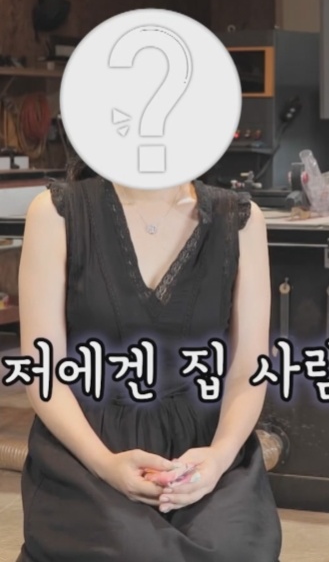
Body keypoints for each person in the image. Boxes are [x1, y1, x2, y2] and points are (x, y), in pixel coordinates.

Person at [16, 157, 282, 561]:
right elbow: (44, 375)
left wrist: (218, 458)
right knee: (132, 550)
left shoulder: (240, 219)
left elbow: (248, 370)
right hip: (88, 441)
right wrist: (105, 465)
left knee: (235, 547)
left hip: (204, 442)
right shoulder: (57, 212)